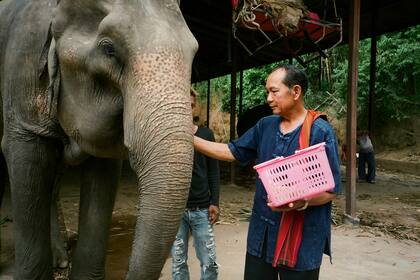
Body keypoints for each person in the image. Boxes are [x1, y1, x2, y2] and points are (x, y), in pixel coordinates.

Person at [194, 65, 341, 280]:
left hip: (301, 239)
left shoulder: (320, 131)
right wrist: (189, 139)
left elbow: (331, 190)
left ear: (296, 91)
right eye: (267, 92)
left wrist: (303, 201)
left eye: (274, 91)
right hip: (261, 234)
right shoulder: (266, 125)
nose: (268, 98)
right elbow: (231, 151)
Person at [171, 89, 221, 280]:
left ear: (195, 108)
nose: (188, 108)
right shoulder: (169, 136)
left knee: (209, 262)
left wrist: (214, 201)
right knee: (177, 262)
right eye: (184, 104)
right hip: (176, 210)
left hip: (202, 209)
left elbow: (213, 171)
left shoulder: (206, 135)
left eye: (191, 105)